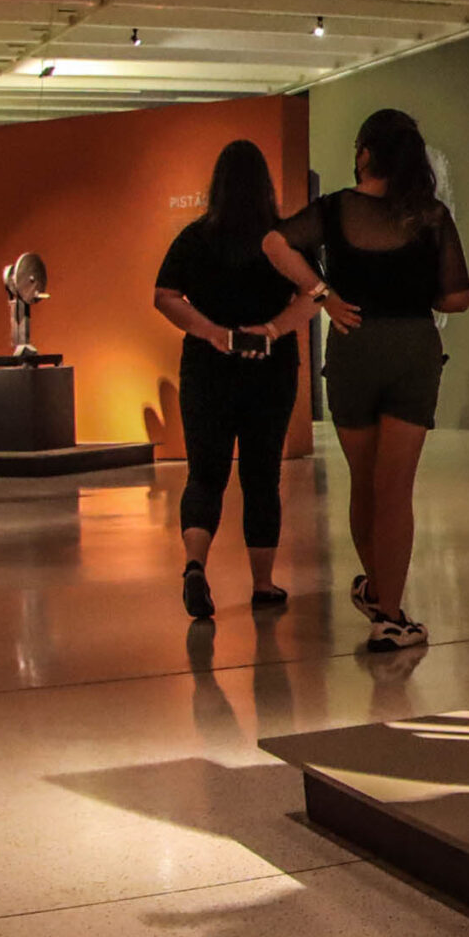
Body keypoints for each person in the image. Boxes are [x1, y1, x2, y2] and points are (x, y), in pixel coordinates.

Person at [263, 109, 469, 652]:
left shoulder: (333, 211)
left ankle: (379, 591)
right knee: (395, 489)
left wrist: (324, 295)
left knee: (364, 482)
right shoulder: (430, 216)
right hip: (412, 350)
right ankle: (390, 614)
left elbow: (275, 245)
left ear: (365, 154)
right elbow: (458, 298)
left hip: (353, 347)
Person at [154, 140, 315, 619]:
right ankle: (262, 583)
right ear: (265, 184)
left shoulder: (196, 237)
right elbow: (315, 294)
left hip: (207, 369)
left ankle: (194, 566)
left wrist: (212, 333)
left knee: (206, 473)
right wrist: (272, 329)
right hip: (271, 368)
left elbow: (164, 295)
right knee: (261, 474)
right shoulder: (282, 239)